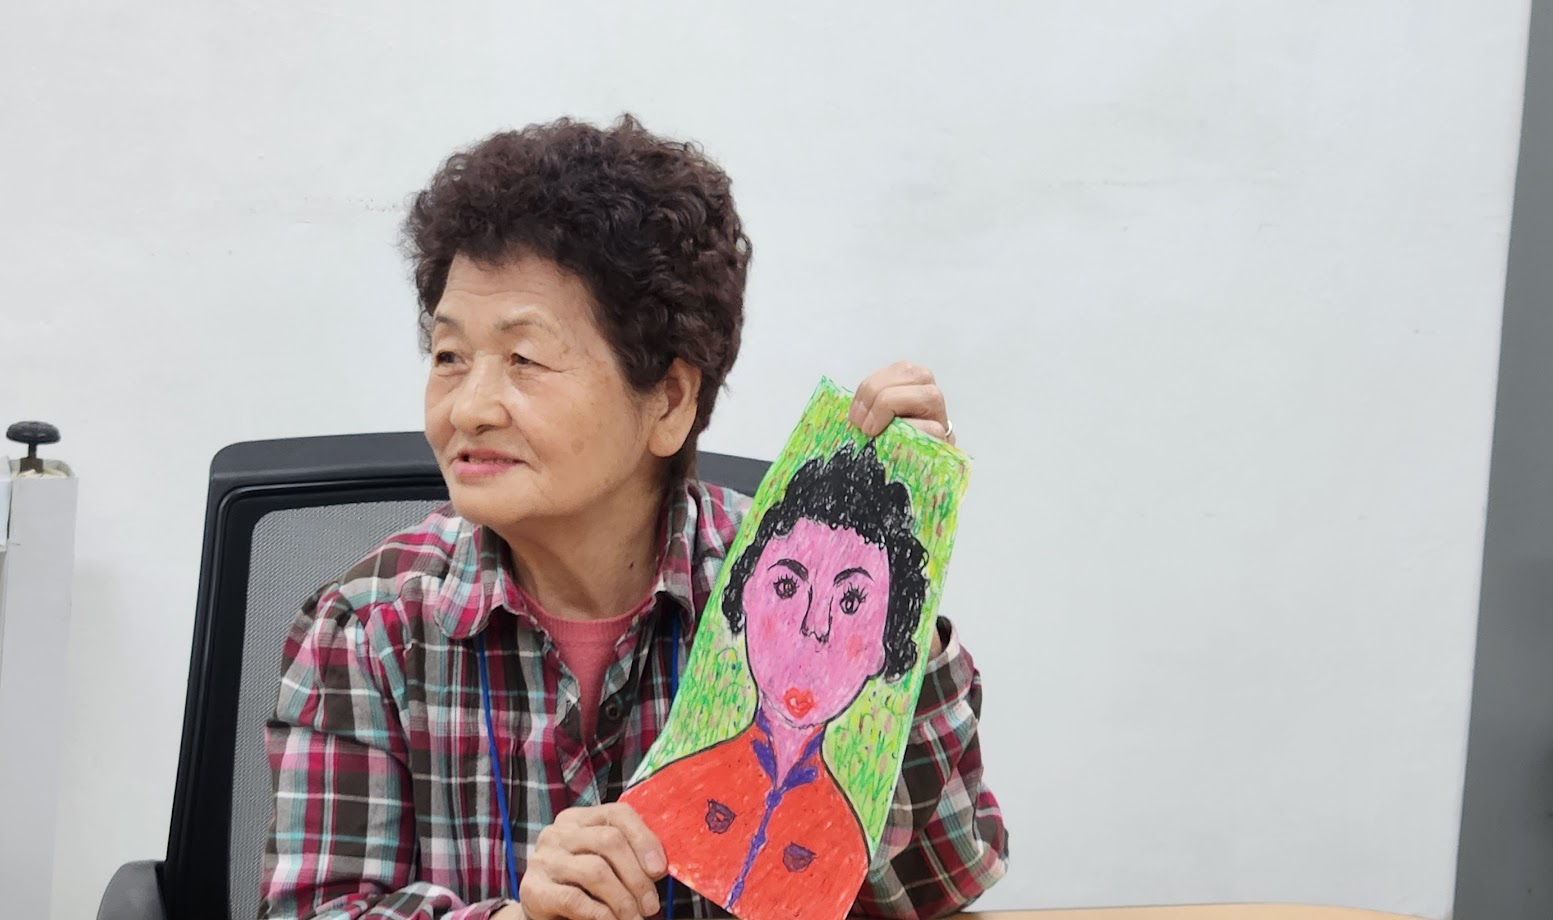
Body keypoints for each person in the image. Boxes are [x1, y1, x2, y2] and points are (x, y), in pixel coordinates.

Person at [260, 115, 1008, 920]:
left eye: (524, 360)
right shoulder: (368, 628)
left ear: (670, 400)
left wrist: (903, 594)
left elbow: (938, 886)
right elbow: (314, 908)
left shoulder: (782, 588)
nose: (469, 407)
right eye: (449, 357)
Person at [621, 443, 929, 919]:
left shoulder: (849, 840)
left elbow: (945, 884)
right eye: (788, 587)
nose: (815, 626)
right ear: (744, 594)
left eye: (851, 602)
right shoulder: (667, 791)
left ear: (883, 646)